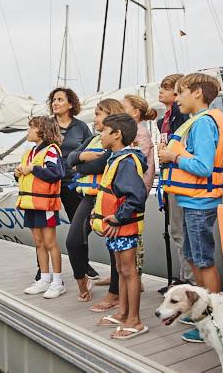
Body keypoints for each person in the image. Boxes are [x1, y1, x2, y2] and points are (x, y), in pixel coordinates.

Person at [158, 73, 223, 343]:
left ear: (197, 93)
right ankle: (200, 310)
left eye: (181, 93)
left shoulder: (202, 124)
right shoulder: (196, 122)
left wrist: (172, 155)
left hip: (200, 201)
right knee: (192, 254)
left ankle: (212, 320)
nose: (177, 99)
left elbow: (203, 166)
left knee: (202, 259)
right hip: (192, 200)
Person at [92, 114, 148, 340]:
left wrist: (118, 218)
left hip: (124, 226)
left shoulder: (125, 162)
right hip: (116, 226)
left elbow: (136, 196)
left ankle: (135, 319)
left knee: (128, 270)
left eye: (104, 131)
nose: (100, 134)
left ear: (117, 134)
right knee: (120, 269)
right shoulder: (115, 159)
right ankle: (122, 311)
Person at [66, 99, 126, 303]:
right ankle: (82, 278)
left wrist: (79, 164)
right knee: (73, 240)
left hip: (110, 198)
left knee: (113, 246)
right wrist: (83, 156)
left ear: (110, 116)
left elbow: (100, 164)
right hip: (89, 198)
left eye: (98, 114)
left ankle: (115, 293)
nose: (95, 118)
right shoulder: (92, 138)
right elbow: (70, 158)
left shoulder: (118, 140)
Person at [46, 87, 98, 282]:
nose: (55, 103)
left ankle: (83, 263)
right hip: (49, 181)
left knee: (82, 225)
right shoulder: (47, 125)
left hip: (71, 182)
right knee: (45, 228)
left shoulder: (81, 127)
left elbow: (90, 148)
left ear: (70, 104)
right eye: (53, 99)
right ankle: (41, 269)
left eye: (60, 99)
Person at [15, 116, 66, 299]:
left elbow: (57, 173)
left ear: (42, 130)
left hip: (46, 204)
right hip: (31, 203)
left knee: (50, 243)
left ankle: (58, 282)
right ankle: (44, 278)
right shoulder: (30, 152)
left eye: (31, 127)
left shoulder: (51, 150)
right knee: (38, 242)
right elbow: (27, 176)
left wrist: (32, 169)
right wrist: (19, 172)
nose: (27, 131)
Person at [156, 74, 194, 293]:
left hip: (179, 178)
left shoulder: (179, 115)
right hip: (170, 178)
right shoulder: (164, 118)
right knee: (177, 230)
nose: (161, 91)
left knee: (180, 231)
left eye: (166, 88)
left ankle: (188, 280)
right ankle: (183, 276)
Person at [122, 94, 156, 284]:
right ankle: (124, 273)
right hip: (130, 188)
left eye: (123, 107)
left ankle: (136, 275)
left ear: (135, 113)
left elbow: (138, 162)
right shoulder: (132, 131)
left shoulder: (140, 133)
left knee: (134, 233)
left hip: (135, 190)